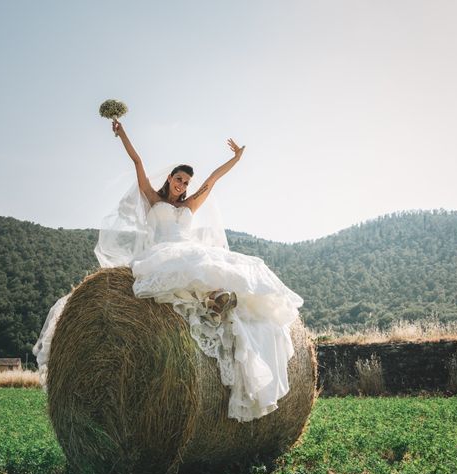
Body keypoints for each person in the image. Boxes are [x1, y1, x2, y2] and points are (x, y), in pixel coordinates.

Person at [33, 120, 304, 422]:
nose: (183, 185)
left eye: (187, 182)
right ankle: (213, 300)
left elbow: (212, 181)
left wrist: (237, 158)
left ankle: (215, 300)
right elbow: (138, 161)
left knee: (206, 263)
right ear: (170, 177)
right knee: (183, 266)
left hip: (188, 250)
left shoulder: (191, 204)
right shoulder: (153, 199)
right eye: (179, 179)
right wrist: (122, 133)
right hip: (161, 252)